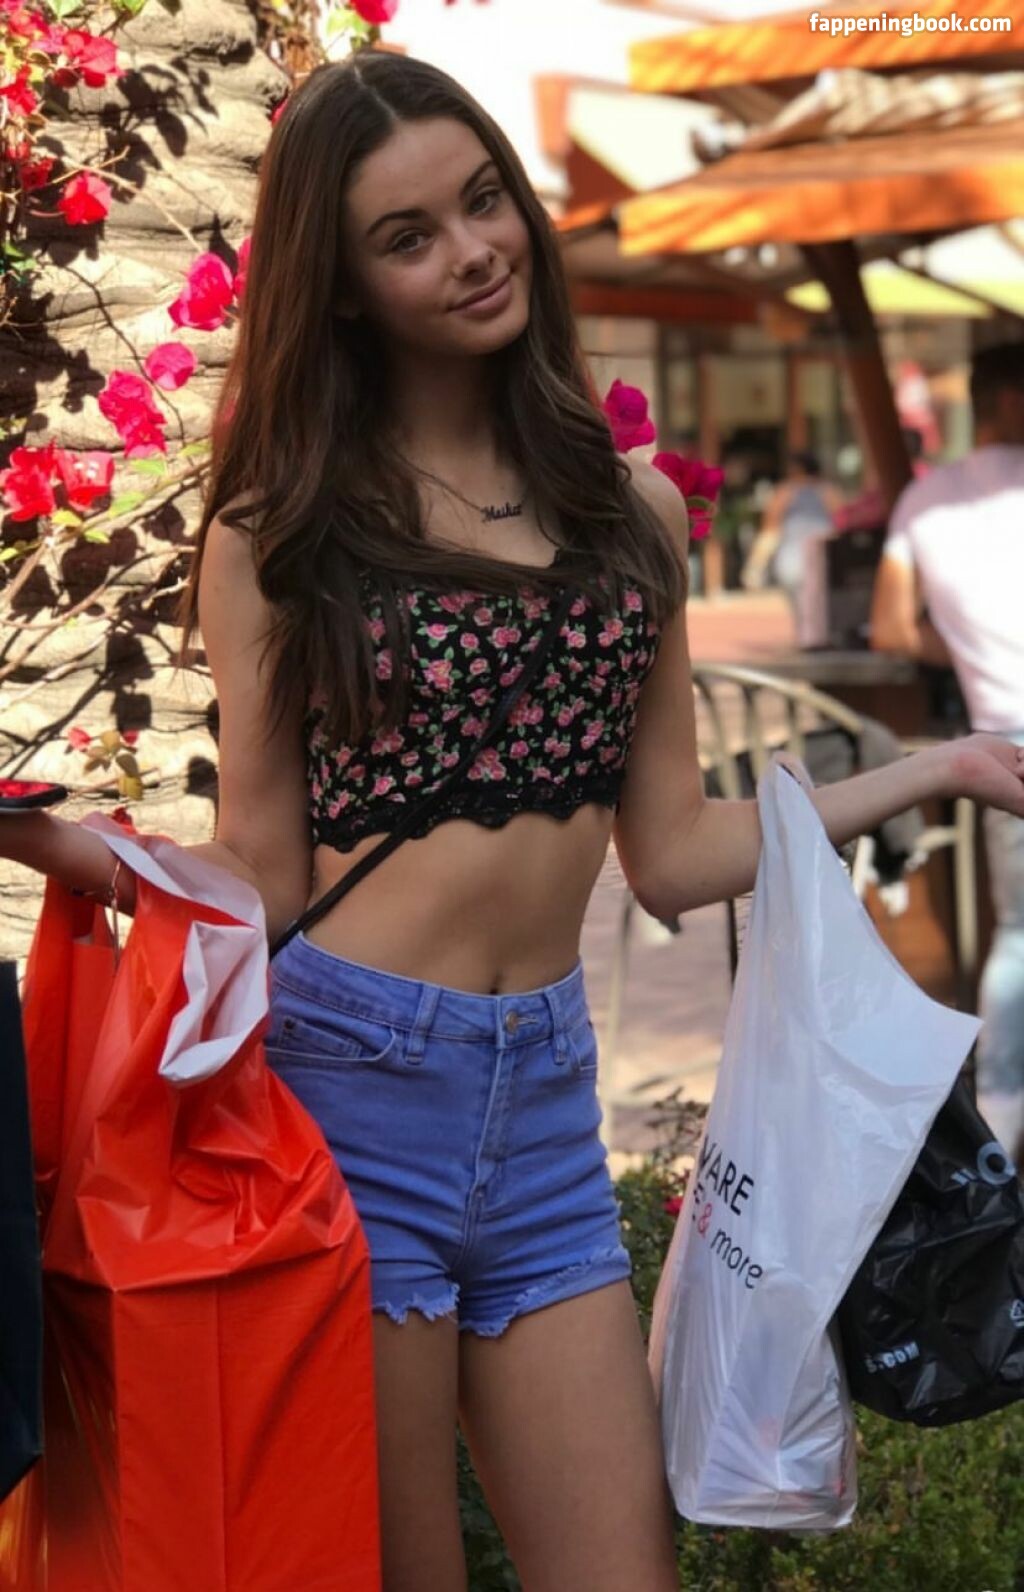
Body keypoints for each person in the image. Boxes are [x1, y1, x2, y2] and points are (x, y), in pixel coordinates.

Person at [3, 52, 1024, 1592]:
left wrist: (936, 770)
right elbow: (263, 872)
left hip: (547, 1106)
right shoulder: (283, 534)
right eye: (407, 237)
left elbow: (672, 853)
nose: (474, 250)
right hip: (350, 1096)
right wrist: (57, 844)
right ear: (344, 288)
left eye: (484, 202)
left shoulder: (632, 511)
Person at [871, 341, 1024, 1166]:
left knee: (1020, 935)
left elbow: (891, 629)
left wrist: (968, 650)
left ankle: (1000, 1114)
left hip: (1005, 728)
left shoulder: (926, 500)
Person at [741, 450, 843, 643]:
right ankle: (816, 638)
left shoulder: (785, 492)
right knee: (820, 604)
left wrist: (755, 565)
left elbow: (770, 531)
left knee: (801, 605)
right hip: (820, 555)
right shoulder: (829, 492)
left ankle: (809, 638)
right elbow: (841, 523)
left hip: (794, 556)